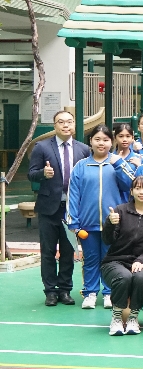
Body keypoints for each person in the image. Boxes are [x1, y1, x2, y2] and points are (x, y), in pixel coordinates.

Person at [66, 125, 134, 309]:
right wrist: (73, 222)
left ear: (111, 142)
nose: (101, 143)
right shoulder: (81, 166)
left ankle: (109, 293)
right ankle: (90, 293)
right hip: (87, 225)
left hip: (114, 224)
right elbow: (73, 195)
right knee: (90, 260)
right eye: (97, 139)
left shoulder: (118, 163)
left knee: (110, 260)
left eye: (105, 140)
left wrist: (119, 163)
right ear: (91, 142)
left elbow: (131, 185)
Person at [28, 110, 90, 306]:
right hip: (48, 209)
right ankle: (50, 291)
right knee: (47, 252)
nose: (65, 125)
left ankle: (64, 290)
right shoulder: (42, 147)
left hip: (72, 210)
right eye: (61, 122)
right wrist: (43, 173)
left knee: (68, 251)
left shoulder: (84, 149)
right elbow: (31, 173)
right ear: (54, 125)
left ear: (74, 125)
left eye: (69, 122)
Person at [100, 177, 143, 336]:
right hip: (114, 261)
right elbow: (107, 240)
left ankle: (133, 317)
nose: (142, 192)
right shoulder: (119, 211)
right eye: (138, 188)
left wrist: (141, 260)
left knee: (140, 278)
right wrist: (110, 224)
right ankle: (117, 317)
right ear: (132, 191)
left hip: (142, 263)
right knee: (124, 277)